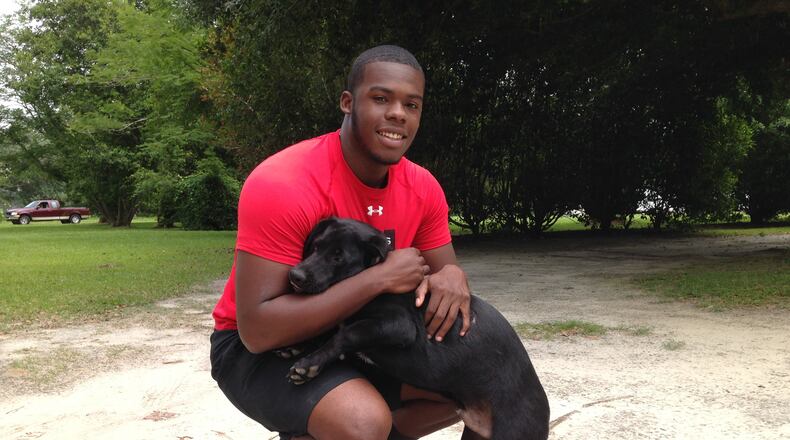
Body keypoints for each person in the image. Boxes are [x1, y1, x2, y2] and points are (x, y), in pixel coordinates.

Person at [210, 45, 478, 440]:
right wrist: (379, 279)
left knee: (474, 385)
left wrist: (454, 275)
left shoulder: (423, 188)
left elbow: (440, 289)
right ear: (348, 103)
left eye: (412, 104)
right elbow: (258, 331)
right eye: (381, 98)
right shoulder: (285, 182)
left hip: (352, 338)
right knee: (361, 421)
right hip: (255, 349)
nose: (397, 114)